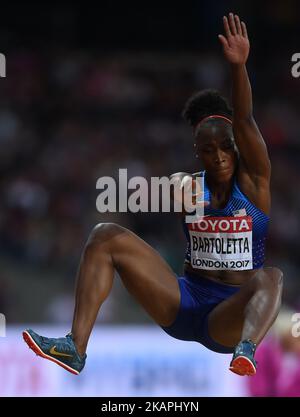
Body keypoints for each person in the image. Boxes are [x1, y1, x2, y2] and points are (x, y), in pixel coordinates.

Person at [23, 13, 283, 377]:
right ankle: (74, 347)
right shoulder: (187, 184)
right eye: (209, 150)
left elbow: (244, 119)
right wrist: (167, 189)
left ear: (237, 148)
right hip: (182, 302)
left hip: (228, 319)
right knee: (104, 236)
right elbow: (162, 189)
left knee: (270, 277)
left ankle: (247, 351)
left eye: (226, 148)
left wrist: (238, 68)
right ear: (199, 153)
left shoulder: (254, 183)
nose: (220, 156)